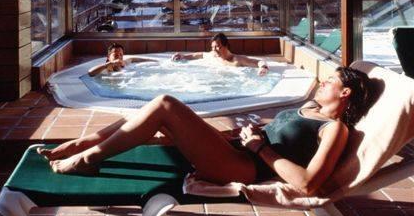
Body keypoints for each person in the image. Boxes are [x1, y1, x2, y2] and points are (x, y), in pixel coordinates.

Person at [38, 66, 370, 197]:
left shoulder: (334, 129)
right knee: (155, 110)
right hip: (239, 150)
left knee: (165, 104)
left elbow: (308, 184)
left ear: (345, 93)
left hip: (245, 166)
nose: (323, 81)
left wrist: (259, 148)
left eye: (330, 81)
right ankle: (83, 145)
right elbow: (279, 134)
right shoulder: (308, 109)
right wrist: (246, 134)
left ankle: (86, 158)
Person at [171, 33, 269, 76]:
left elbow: (259, 62)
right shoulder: (213, 56)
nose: (214, 50)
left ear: (226, 46)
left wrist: (263, 68)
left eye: (217, 47)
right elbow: (198, 55)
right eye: (212, 47)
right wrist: (183, 56)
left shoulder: (236, 60)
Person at [87, 43, 157, 77]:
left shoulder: (124, 63)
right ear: (108, 57)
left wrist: (153, 60)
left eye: (121, 55)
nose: (119, 57)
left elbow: (133, 59)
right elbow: (90, 72)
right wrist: (111, 63)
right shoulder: (106, 69)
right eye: (116, 55)